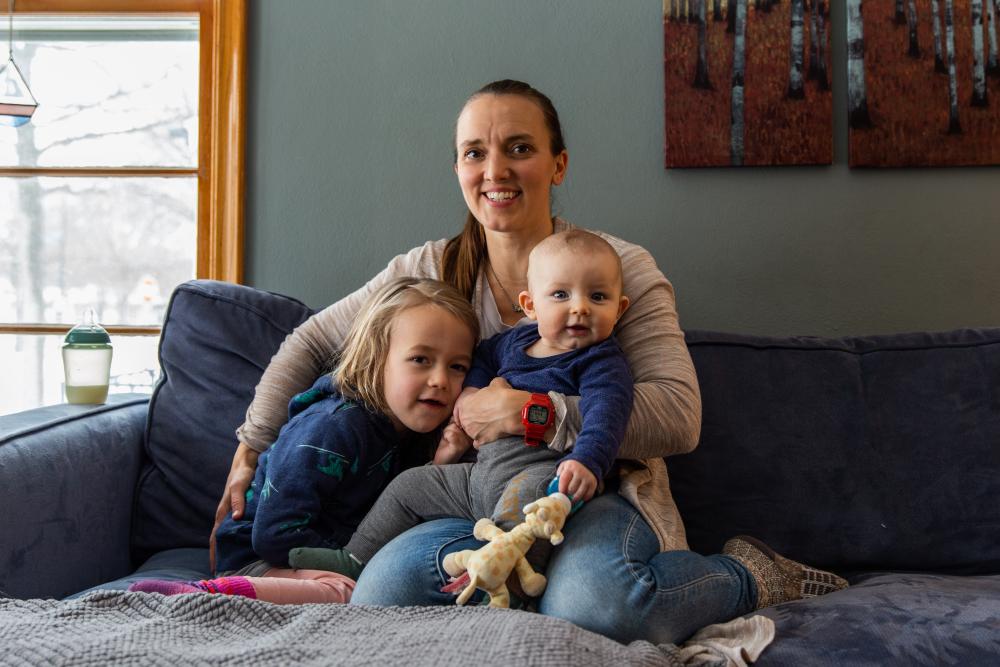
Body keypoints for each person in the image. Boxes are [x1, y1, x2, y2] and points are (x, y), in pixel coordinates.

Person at [214, 79, 846, 643]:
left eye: (520, 147)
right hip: (471, 496)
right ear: (459, 167)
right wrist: (251, 450)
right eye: (475, 152)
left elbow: (678, 416)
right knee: (382, 597)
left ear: (558, 163)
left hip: (591, 489)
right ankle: (511, 582)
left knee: (600, 606)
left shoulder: (616, 270)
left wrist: (530, 414)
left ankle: (750, 575)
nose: (496, 169)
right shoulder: (430, 271)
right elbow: (309, 343)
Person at [287, 230, 634, 580]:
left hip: (539, 471)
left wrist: (587, 461)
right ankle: (355, 558)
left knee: (527, 508)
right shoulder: (516, 340)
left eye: (598, 297)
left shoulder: (600, 361)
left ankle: (509, 580)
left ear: (619, 309)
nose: (579, 307)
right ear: (530, 305)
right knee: (410, 486)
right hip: (478, 476)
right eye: (560, 295)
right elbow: (481, 358)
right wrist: (469, 396)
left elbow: (607, 414)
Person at [129, 277, 478, 604]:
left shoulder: (408, 433)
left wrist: (442, 461)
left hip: (317, 557)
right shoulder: (332, 427)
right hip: (258, 560)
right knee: (346, 590)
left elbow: (396, 511)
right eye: (420, 359)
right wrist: (354, 563)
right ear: (377, 357)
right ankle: (200, 594)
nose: (440, 380)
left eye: (457, 367)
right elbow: (273, 534)